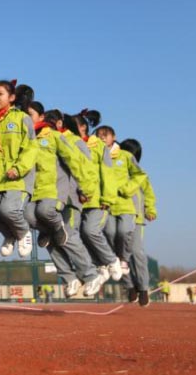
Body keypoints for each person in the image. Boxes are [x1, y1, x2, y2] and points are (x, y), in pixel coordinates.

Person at [31, 109, 104, 298]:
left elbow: (83, 165)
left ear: (59, 123)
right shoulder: (36, 140)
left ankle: (91, 275)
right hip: (44, 197)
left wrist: (84, 190)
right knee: (51, 239)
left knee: (68, 236)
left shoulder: (73, 141)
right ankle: (69, 278)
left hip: (69, 198)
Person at [0, 80, 38, 258]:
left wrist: (19, 168)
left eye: (0, 94)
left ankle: (23, 233)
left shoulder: (22, 118)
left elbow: (31, 147)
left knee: (9, 210)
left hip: (17, 178)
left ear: (11, 98)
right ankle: (10, 235)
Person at [66, 110, 124, 282]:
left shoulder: (97, 146)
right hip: (77, 200)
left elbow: (107, 172)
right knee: (78, 234)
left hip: (98, 200)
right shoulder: (70, 143)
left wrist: (107, 198)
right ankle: (99, 264)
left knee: (90, 230)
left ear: (83, 127)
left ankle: (111, 260)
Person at [95, 125, 147, 304]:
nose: (102, 138)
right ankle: (129, 285)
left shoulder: (125, 157)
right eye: (99, 135)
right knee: (110, 236)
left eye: (105, 135)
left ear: (113, 137)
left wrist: (128, 189)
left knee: (133, 248)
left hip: (127, 208)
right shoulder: (96, 156)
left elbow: (142, 180)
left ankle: (143, 288)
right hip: (106, 206)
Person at [120, 138, 157, 307]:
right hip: (118, 215)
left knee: (136, 252)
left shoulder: (141, 175)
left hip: (137, 218)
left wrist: (150, 209)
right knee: (118, 256)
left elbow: (148, 193)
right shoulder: (114, 171)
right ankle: (129, 286)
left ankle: (142, 287)